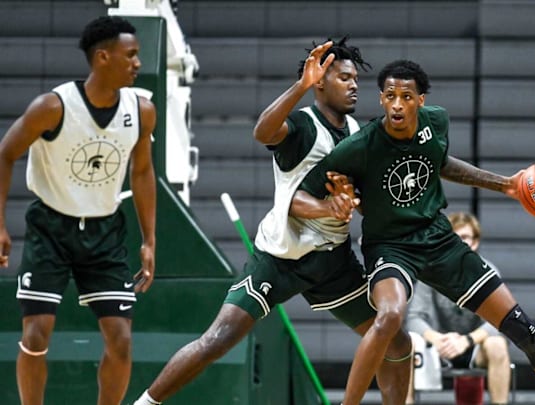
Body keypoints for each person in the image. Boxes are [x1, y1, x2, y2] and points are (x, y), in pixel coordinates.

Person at [133, 38, 412, 405]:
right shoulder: (302, 126)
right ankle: (145, 403)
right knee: (217, 340)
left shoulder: (357, 133)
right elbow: (263, 134)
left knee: (397, 341)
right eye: (344, 77)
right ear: (320, 82)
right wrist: (299, 86)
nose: (354, 84)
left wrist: (357, 204)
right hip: (279, 258)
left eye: (355, 78)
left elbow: (360, 198)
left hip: (330, 261)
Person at [299, 59, 535, 405]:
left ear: (420, 100)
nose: (396, 104)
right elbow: (304, 192)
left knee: (527, 332)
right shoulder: (359, 147)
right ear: (380, 99)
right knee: (389, 316)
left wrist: (506, 185)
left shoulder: (436, 121)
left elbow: (441, 162)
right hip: (390, 247)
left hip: (439, 240)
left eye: (406, 96)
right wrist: (340, 199)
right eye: (389, 95)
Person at [0, 16, 157, 405]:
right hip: (51, 228)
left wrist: (150, 239)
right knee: (36, 335)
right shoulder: (52, 107)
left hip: (104, 231)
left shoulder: (141, 111)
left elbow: (141, 172)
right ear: (103, 57)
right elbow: (5, 154)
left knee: (120, 340)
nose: (138, 63)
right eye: (131, 55)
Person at [405, 211, 511, 405]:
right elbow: (413, 318)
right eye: (454, 238)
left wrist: (466, 340)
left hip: (473, 347)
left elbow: (499, 322)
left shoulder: (488, 272)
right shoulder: (430, 271)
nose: (460, 243)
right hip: (439, 346)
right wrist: (438, 339)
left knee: (497, 345)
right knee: (407, 344)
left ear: (475, 242)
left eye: (465, 238)